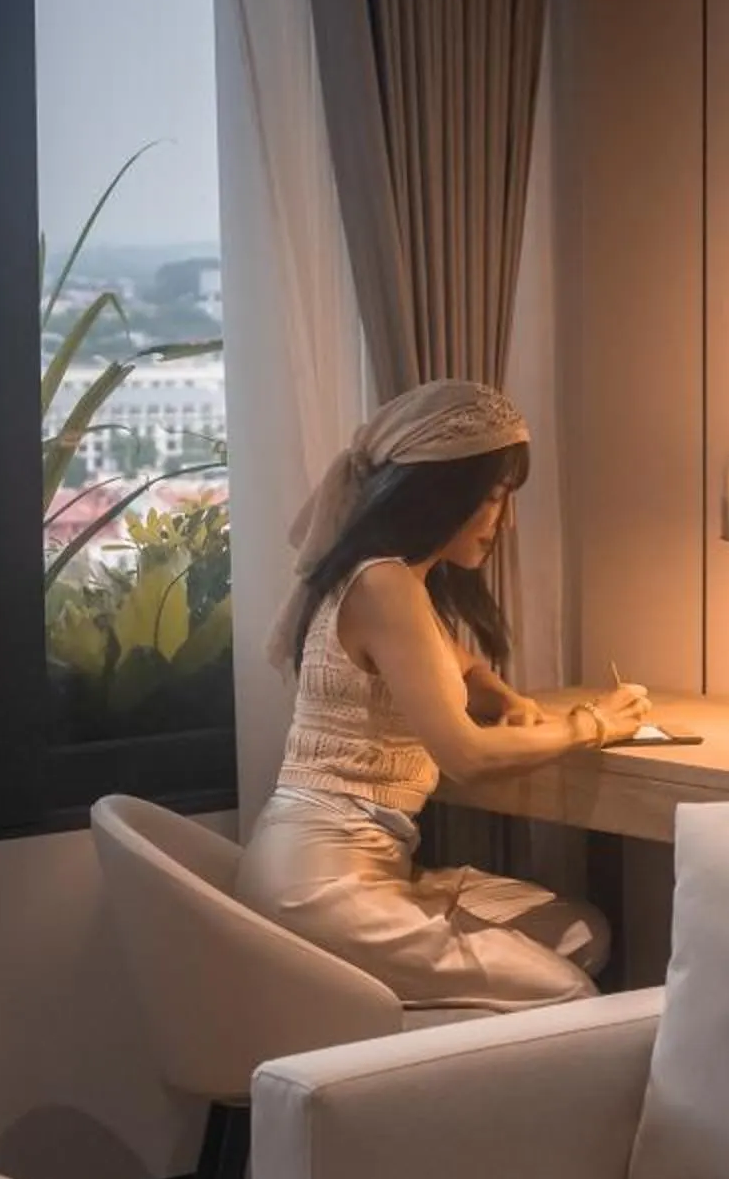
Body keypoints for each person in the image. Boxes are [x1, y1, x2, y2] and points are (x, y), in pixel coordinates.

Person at [239, 379, 649, 1010]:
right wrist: (593, 723)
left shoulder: (393, 582)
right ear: (439, 496)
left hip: (351, 864)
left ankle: (434, 1067)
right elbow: (468, 757)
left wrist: (502, 695)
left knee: (579, 933)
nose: (506, 521)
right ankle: (439, 1090)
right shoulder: (383, 585)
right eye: (493, 498)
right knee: (567, 990)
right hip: (322, 882)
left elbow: (462, 671)